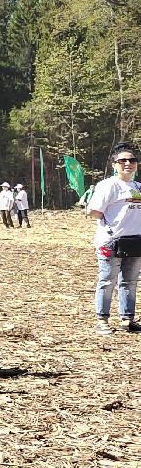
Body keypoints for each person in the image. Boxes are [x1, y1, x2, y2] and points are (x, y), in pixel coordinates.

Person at [87, 142, 141, 336]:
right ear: (114, 164)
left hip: (135, 242)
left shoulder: (138, 187)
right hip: (111, 242)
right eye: (123, 160)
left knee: (130, 281)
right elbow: (94, 211)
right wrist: (113, 226)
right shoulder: (108, 185)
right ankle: (102, 319)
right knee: (107, 280)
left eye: (132, 160)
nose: (128, 163)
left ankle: (128, 319)